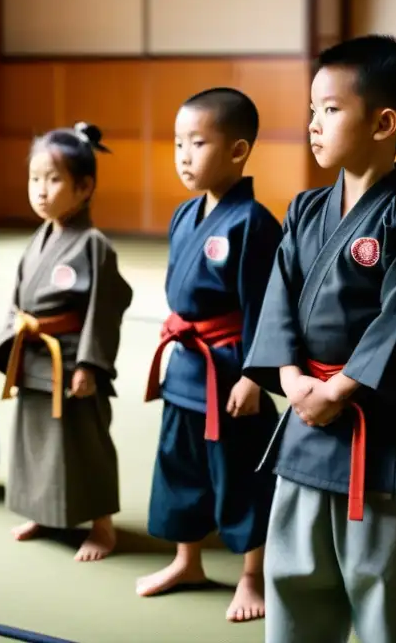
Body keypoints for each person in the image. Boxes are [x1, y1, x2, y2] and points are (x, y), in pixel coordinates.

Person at [242, 35, 396, 643]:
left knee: (386, 567)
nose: (313, 123)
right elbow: (278, 297)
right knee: (295, 559)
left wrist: (340, 389)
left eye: (330, 109)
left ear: (384, 123)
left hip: (373, 417)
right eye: (311, 109)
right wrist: (289, 380)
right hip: (306, 404)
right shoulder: (307, 208)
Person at [138, 88, 282, 623]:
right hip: (187, 369)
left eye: (197, 143)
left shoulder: (254, 223)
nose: (183, 155)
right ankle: (187, 560)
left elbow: (267, 309)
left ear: (239, 151)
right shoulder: (184, 214)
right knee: (180, 469)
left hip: (230, 373)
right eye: (179, 143)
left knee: (239, 476)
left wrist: (255, 377)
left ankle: (252, 574)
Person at [0, 122, 133, 562]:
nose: (41, 190)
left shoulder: (93, 245)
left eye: (53, 180)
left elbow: (106, 307)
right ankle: (44, 511)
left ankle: (102, 526)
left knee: (82, 443)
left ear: (84, 186)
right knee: (36, 442)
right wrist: (8, 342)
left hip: (70, 364)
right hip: (34, 357)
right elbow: (17, 300)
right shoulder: (39, 237)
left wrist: (90, 365)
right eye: (35, 179)